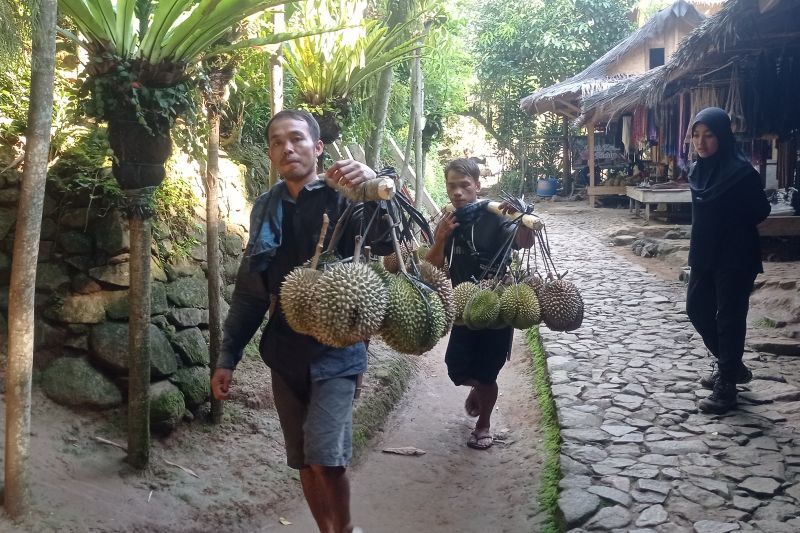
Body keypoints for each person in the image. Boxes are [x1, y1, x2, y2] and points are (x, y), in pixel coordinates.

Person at [211, 109, 389, 533]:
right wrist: (227, 356)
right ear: (271, 153)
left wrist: (376, 185)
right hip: (284, 349)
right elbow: (252, 290)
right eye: (276, 141)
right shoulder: (267, 208)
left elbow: (383, 240)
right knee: (304, 460)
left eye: (296, 138)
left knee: (327, 457)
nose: (286, 147)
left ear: (318, 147)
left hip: (338, 350)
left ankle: (343, 529)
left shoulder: (345, 197)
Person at [426, 158, 534, 450]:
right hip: (462, 306)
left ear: (477, 185)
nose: (458, 192)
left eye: (465, 186)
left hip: (496, 305)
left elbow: (523, 242)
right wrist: (439, 239)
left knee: (488, 371)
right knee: (456, 367)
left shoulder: (496, 216)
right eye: (452, 186)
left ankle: (484, 423)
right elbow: (433, 266)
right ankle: (479, 387)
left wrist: (524, 220)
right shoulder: (449, 221)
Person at [685, 107, 771, 415]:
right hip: (704, 253)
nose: (701, 142)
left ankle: (727, 389)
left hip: (735, 255)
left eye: (709, 135)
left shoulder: (741, 172)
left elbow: (761, 211)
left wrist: (732, 222)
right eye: (696, 135)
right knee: (696, 309)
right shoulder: (697, 171)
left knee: (729, 319)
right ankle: (731, 367)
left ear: (722, 136)